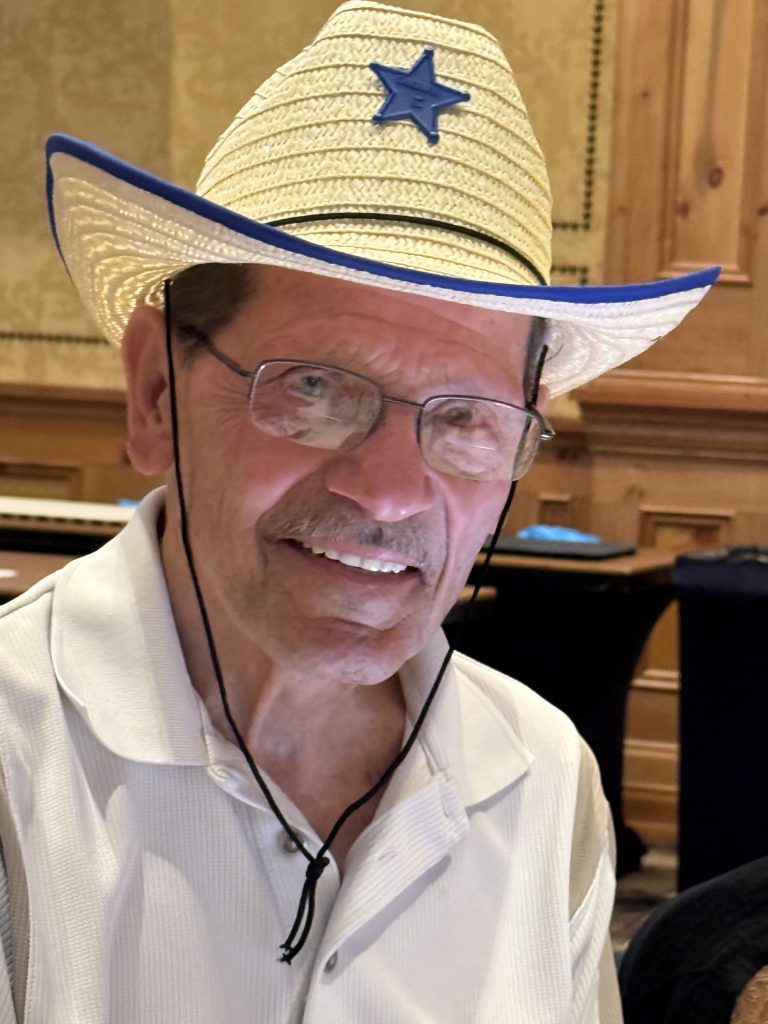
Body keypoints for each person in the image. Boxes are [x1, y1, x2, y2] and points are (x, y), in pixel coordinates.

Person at [0, 3, 718, 1021]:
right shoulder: (17, 750)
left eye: (466, 417)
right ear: (157, 395)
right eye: (314, 388)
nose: (386, 490)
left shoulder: (542, 776)